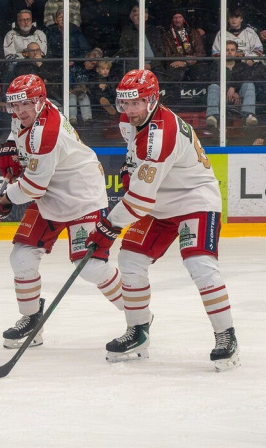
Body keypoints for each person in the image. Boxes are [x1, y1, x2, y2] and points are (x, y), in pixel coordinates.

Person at [86, 69, 240, 371]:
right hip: (159, 202)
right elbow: (135, 160)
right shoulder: (130, 121)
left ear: (152, 100)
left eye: (136, 103)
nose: (128, 111)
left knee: (200, 264)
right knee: (130, 258)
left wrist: (107, 227)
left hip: (194, 198)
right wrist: (130, 170)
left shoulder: (161, 134)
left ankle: (226, 336)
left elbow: (140, 200)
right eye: (124, 103)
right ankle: (138, 330)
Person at [0, 74, 123, 350]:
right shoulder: (28, 113)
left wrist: (1, 204)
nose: (19, 112)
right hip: (51, 195)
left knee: (89, 267)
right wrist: (9, 144)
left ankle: (137, 315)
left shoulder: (47, 131)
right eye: (14, 106)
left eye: (24, 105)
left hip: (82, 198)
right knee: (21, 256)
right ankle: (32, 320)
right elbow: (17, 129)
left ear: (41, 101)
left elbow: (31, 188)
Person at [205, 40, 258, 129]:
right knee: (213, 86)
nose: (229, 52)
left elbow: (248, 78)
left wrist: (234, 88)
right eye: (227, 50)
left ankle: (248, 116)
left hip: (239, 99)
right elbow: (212, 80)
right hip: (221, 98)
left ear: (236, 53)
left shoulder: (242, 66)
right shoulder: (216, 65)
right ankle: (213, 116)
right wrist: (227, 90)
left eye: (232, 50)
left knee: (249, 84)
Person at [161, 10, 207, 85]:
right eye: (175, 17)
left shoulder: (194, 32)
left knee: (200, 70)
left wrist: (187, 61)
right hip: (176, 63)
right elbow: (167, 55)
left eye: (180, 17)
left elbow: (201, 52)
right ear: (172, 19)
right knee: (175, 72)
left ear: (184, 19)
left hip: (194, 62)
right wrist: (184, 58)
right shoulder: (167, 35)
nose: (177, 20)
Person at [118, 5, 165, 75]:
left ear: (146, 17)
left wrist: (151, 65)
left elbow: (161, 52)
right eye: (135, 15)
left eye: (139, 15)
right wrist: (139, 64)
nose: (137, 17)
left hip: (155, 67)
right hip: (134, 67)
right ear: (131, 17)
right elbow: (124, 52)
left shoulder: (154, 31)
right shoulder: (127, 32)